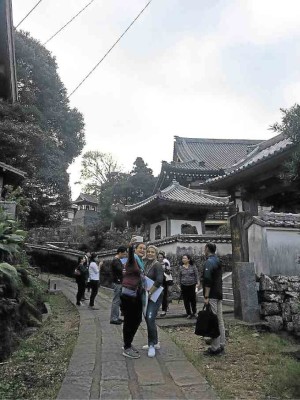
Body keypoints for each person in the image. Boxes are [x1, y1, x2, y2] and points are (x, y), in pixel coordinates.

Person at [121, 241, 146, 359]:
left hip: (137, 294)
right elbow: (130, 254)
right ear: (135, 250)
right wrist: (130, 246)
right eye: (140, 248)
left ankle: (128, 343)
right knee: (129, 320)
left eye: (144, 248)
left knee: (137, 319)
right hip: (129, 295)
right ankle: (126, 347)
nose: (143, 250)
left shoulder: (141, 262)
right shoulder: (132, 260)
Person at [202, 242, 225, 356]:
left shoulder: (209, 262)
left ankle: (215, 347)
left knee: (214, 320)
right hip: (219, 292)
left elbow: (207, 280)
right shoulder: (218, 260)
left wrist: (206, 296)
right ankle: (222, 343)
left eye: (204, 248)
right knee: (220, 320)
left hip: (212, 295)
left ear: (207, 249)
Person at [142, 245, 164, 357]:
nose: (150, 253)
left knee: (150, 317)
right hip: (147, 295)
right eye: (148, 251)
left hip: (155, 295)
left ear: (156, 254)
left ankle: (151, 345)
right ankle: (154, 342)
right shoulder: (146, 264)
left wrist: (150, 292)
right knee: (147, 318)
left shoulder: (157, 265)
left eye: (152, 252)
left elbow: (160, 280)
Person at [110, 245, 127, 325]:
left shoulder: (118, 260)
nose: (124, 256)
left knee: (118, 300)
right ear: (120, 253)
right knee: (116, 301)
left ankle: (116, 316)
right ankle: (114, 318)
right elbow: (121, 271)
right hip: (117, 282)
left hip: (118, 282)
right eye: (124, 254)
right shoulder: (116, 261)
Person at [178, 254, 200, 319]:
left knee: (193, 300)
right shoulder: (181, 267)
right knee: (186, 300)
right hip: (184, 285)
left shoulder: (193, 266)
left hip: (192, 285)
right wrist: (179, 285)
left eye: (185, 258)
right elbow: (179, 277)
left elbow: (196, 275)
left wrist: (198, 282)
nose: (183, 259)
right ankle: (189, 313)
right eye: (183, 258)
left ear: (188, 259)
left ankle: (195, 312)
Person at [158, 251, 172, 317]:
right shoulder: (155, 263)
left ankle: (164, 310)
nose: (160, 258)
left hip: (164, 281)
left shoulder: (165, 264)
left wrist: (166, 270)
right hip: (157, 282)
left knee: (164, 296)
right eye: (159, 257)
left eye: (161, 257)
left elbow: (168, 273)